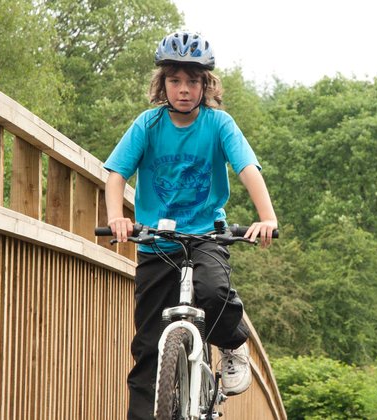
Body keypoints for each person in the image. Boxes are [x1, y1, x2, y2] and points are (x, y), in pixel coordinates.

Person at [102, 30, 278, 420]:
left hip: (206, 235)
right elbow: (115, 175)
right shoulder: (148, 125)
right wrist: (118, 217)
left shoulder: (219, 125)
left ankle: (232, 344)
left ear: (206, 85)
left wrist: (267, 217)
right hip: (156, 242)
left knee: (214, 291)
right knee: (148, 347)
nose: (184, 89)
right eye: (175, 80)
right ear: (162, 84)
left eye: (193, 81)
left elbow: (248, 168)